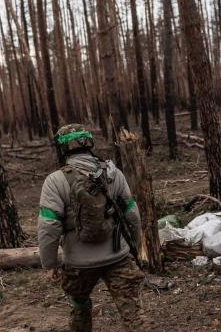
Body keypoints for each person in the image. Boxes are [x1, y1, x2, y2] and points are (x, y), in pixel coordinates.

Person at [37, 124, 146, 332]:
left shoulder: (55, 181)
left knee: (79, 304)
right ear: (89, 144)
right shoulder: (113, 173)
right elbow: (132, 214)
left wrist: (50, 264)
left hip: (78, 263)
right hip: (117, 256)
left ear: (62, 149)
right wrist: (134, 246)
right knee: (133, 312)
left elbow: (48, 226)